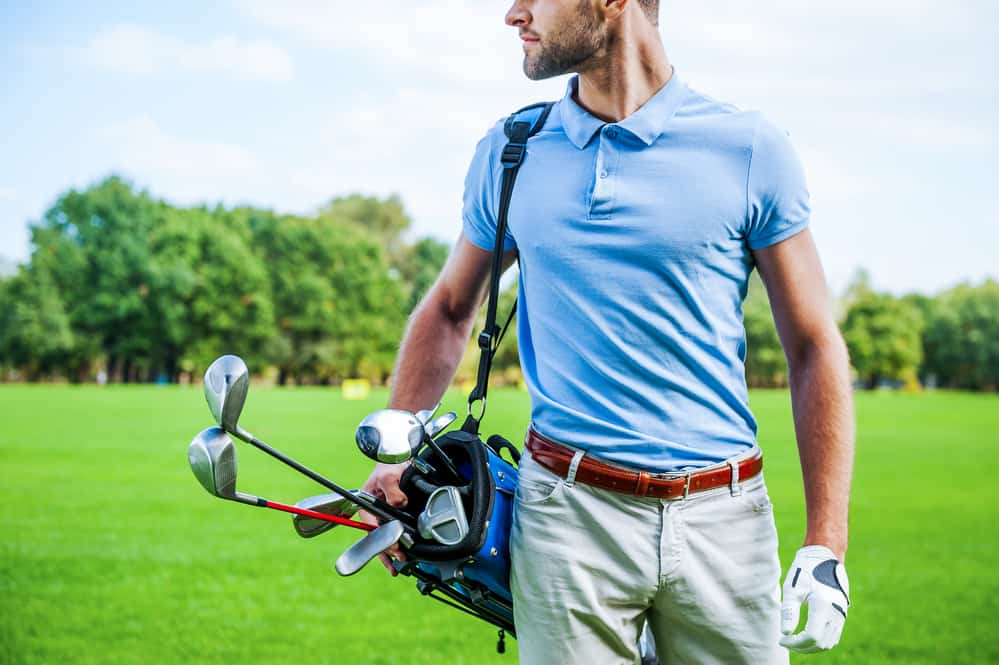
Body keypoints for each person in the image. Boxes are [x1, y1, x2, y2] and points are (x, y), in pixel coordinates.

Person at [361, 1, 854, 663]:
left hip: (725, 523)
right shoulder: (512, 151)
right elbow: (451, 308)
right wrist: (395, 453)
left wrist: (825, 543)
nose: (514, 14)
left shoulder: (749, 149)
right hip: (564, 517)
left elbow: (813, 344)